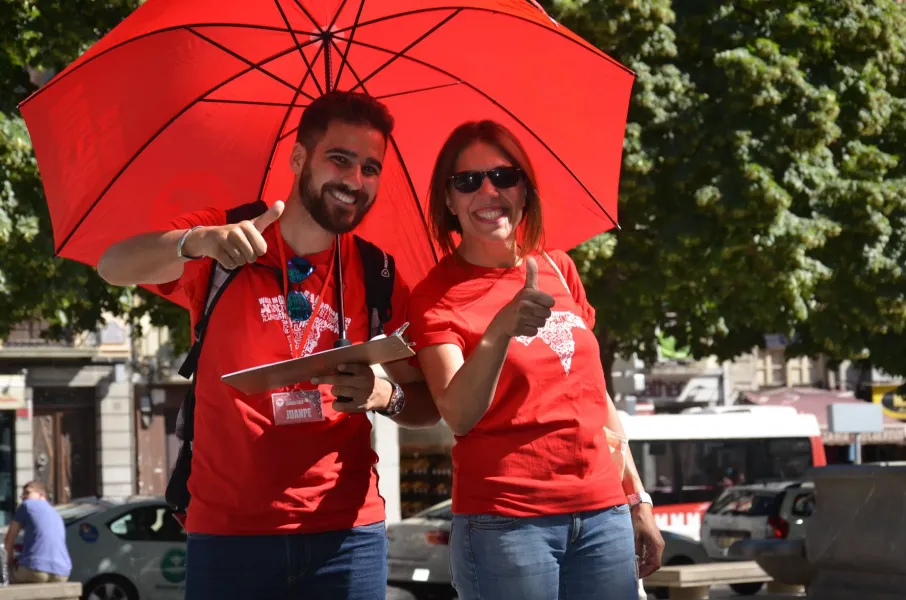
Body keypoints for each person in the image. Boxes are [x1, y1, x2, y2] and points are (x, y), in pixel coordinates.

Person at [97, 91, 439, 600]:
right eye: (339, 159)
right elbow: (114, 265)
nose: (354, 180)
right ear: (299, 158)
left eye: (371, 168)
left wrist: (383, 395)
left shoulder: (379, 273)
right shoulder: (227, 237)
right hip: (229, 532)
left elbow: (429, 406)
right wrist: (197, 241)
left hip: (347, 534)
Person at [407, 120, 665, 600]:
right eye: (468, 181)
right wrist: (500, 329)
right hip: (506, 524)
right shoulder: (435, 296)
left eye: (504, 176)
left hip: (602, 514)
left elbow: (597, 398)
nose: (489, 190)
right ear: (449, 201)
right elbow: (458, 414)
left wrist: (637, 498)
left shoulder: (558, 268)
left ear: (524, 191)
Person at [3, 482, 71, 584]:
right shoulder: (56, 514)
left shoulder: (26, 505)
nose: (22, 496)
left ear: (41, 495)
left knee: (5, 577)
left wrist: (9, 563)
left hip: (34, 568)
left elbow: (9, 539)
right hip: (62, 572)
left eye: (27, 493)